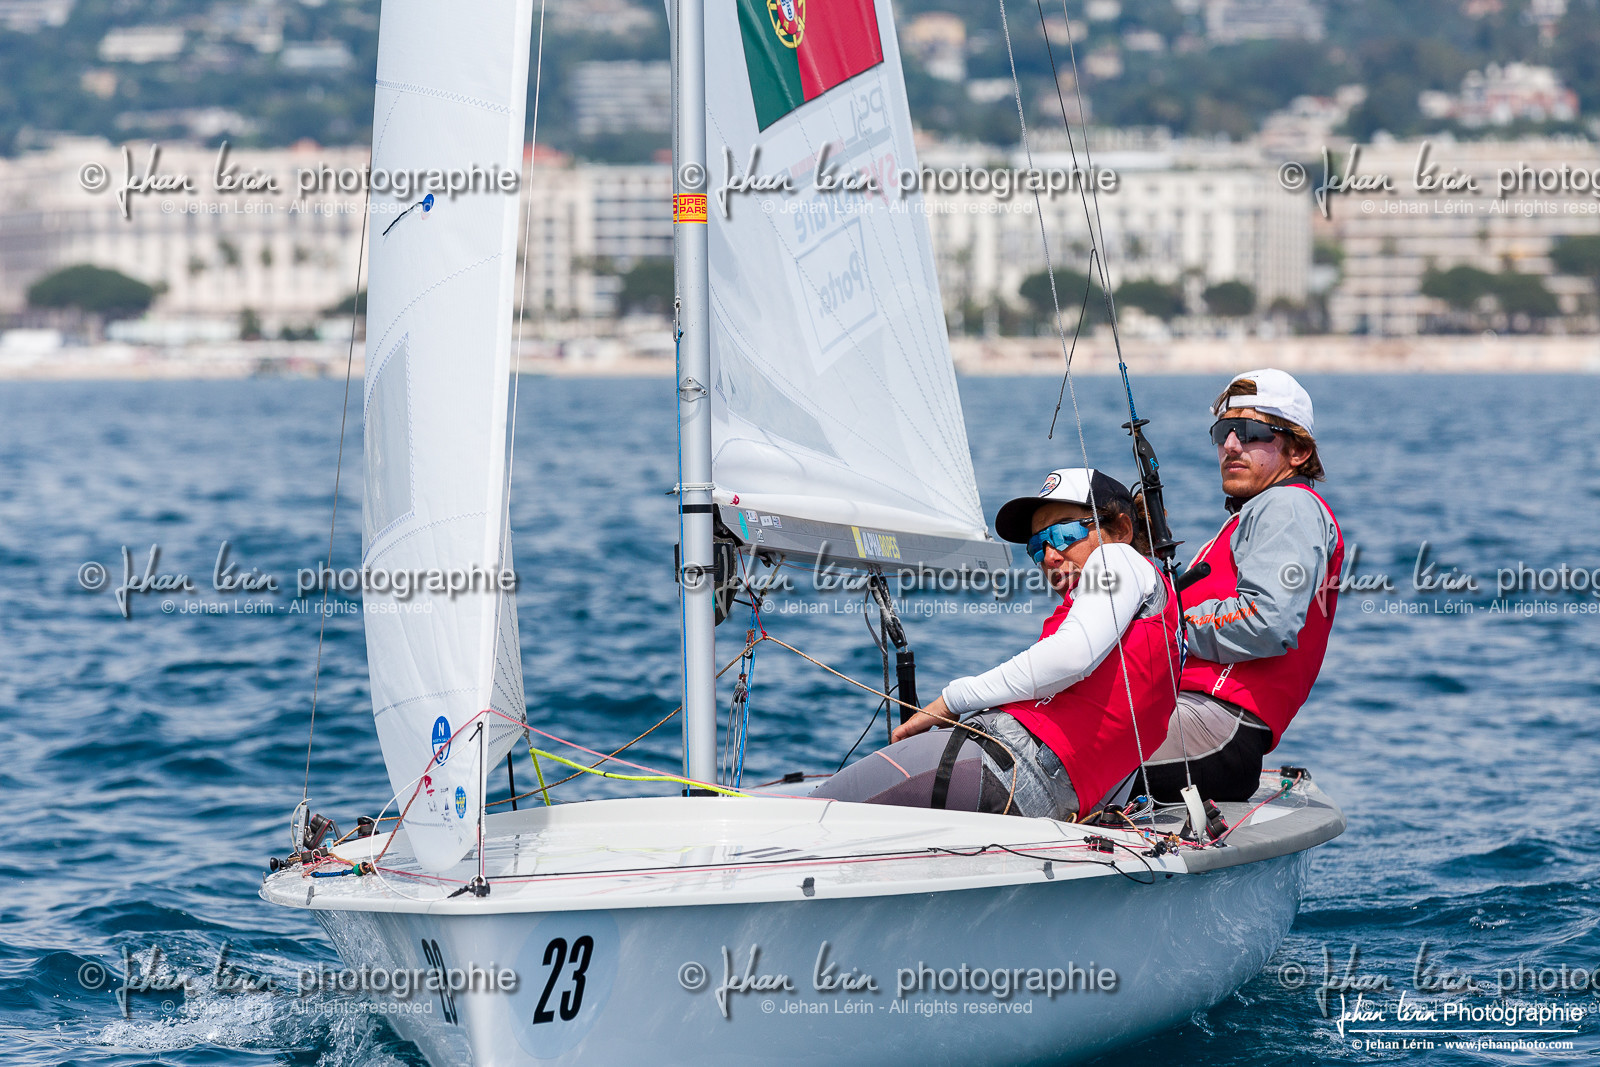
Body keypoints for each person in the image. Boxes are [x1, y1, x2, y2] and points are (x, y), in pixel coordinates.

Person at [811, 469, 1181, 820]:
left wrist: (952, 700)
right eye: (1038, 545)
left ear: (1121, 529)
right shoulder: (1151, 626)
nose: (1050, 556)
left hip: (998, 765)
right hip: (1039, 798)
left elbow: (1072, 656)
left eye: (1065, 534)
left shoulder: (1118, 557)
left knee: (814, 812)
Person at [1141, 368, 1344, 803]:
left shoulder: (1288, 506)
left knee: (1057, 749)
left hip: (1220, 726)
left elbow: (1267, 620)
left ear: (1298, 450)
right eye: (1224, 431)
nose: (1231, 444)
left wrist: (1170, 625)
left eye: (1251, 432)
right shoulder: (1253, 517)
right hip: (1194, 718)